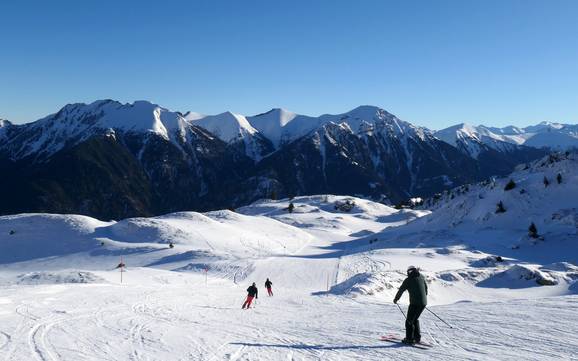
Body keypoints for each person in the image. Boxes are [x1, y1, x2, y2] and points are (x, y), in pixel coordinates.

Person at [393, 265, 428, 344]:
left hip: (414, 303)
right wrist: (423, 299)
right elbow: (426, 288)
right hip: (423, 303)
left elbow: (401, 290)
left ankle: (409, 339)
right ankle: (417, 338)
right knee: (415, 319)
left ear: (409, 272)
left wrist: (396, 299)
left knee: (409, 321)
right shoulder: (421, 276)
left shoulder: (408, 280)